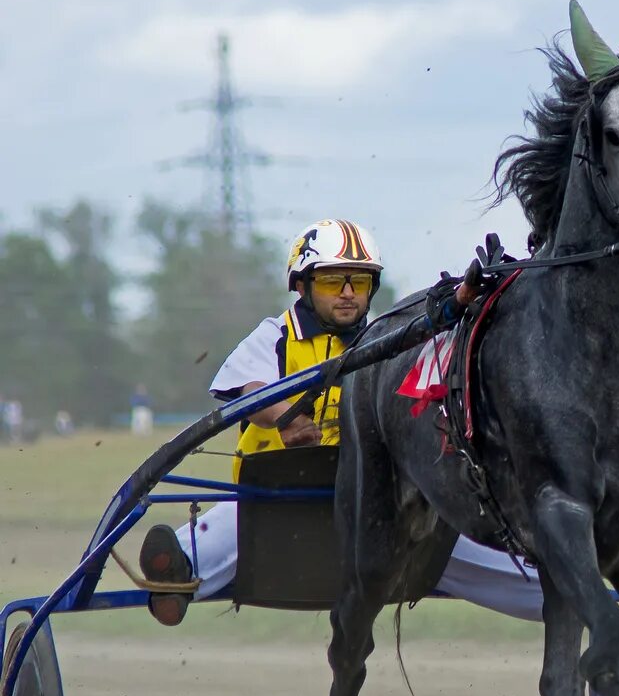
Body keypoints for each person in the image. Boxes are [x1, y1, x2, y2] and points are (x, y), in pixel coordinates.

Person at [138, 218, 543, 627]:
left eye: (360, 283)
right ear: (303, 286)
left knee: (473, 538)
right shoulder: (275, 336)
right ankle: (175, 571)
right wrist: (283, 418)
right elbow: (249, 390)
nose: (349, 294)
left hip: (382, 509)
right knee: (231, 522)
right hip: (281, 505)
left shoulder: (391, 338)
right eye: (334, 282)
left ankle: (571, 593)